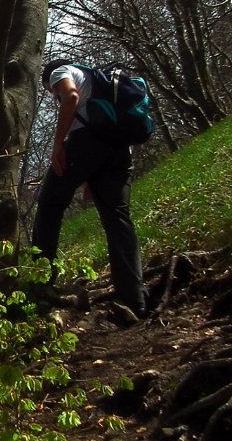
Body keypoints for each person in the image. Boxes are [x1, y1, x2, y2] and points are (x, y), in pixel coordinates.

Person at [31, 62, 147, 318]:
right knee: (118, 220)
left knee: (50, 203)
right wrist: (91, 177)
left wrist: (58, 145)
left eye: (51, 92)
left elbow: (71, 96)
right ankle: (134, 299)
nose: (53, 94)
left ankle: (41, 283)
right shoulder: (98, 80)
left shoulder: (60, 71)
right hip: (120, 151)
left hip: (86, 142)